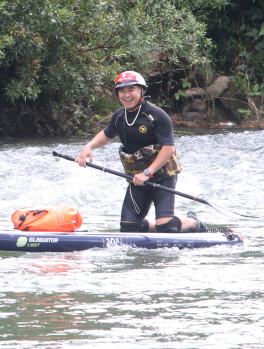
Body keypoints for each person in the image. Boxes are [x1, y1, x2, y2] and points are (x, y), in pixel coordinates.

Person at [74, 71, 206, 233]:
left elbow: (169, 149)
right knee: (129, 227)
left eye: (131, 90)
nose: (126, 95)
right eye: (122, 91)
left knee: (166, 226)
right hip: (137, 178)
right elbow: (106, 135)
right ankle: (157, 226)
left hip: (162, 176)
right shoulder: (119, 116)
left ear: (141, 91)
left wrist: (147, 172)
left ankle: (192, 222)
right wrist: (88, 146)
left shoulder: (157, 115)